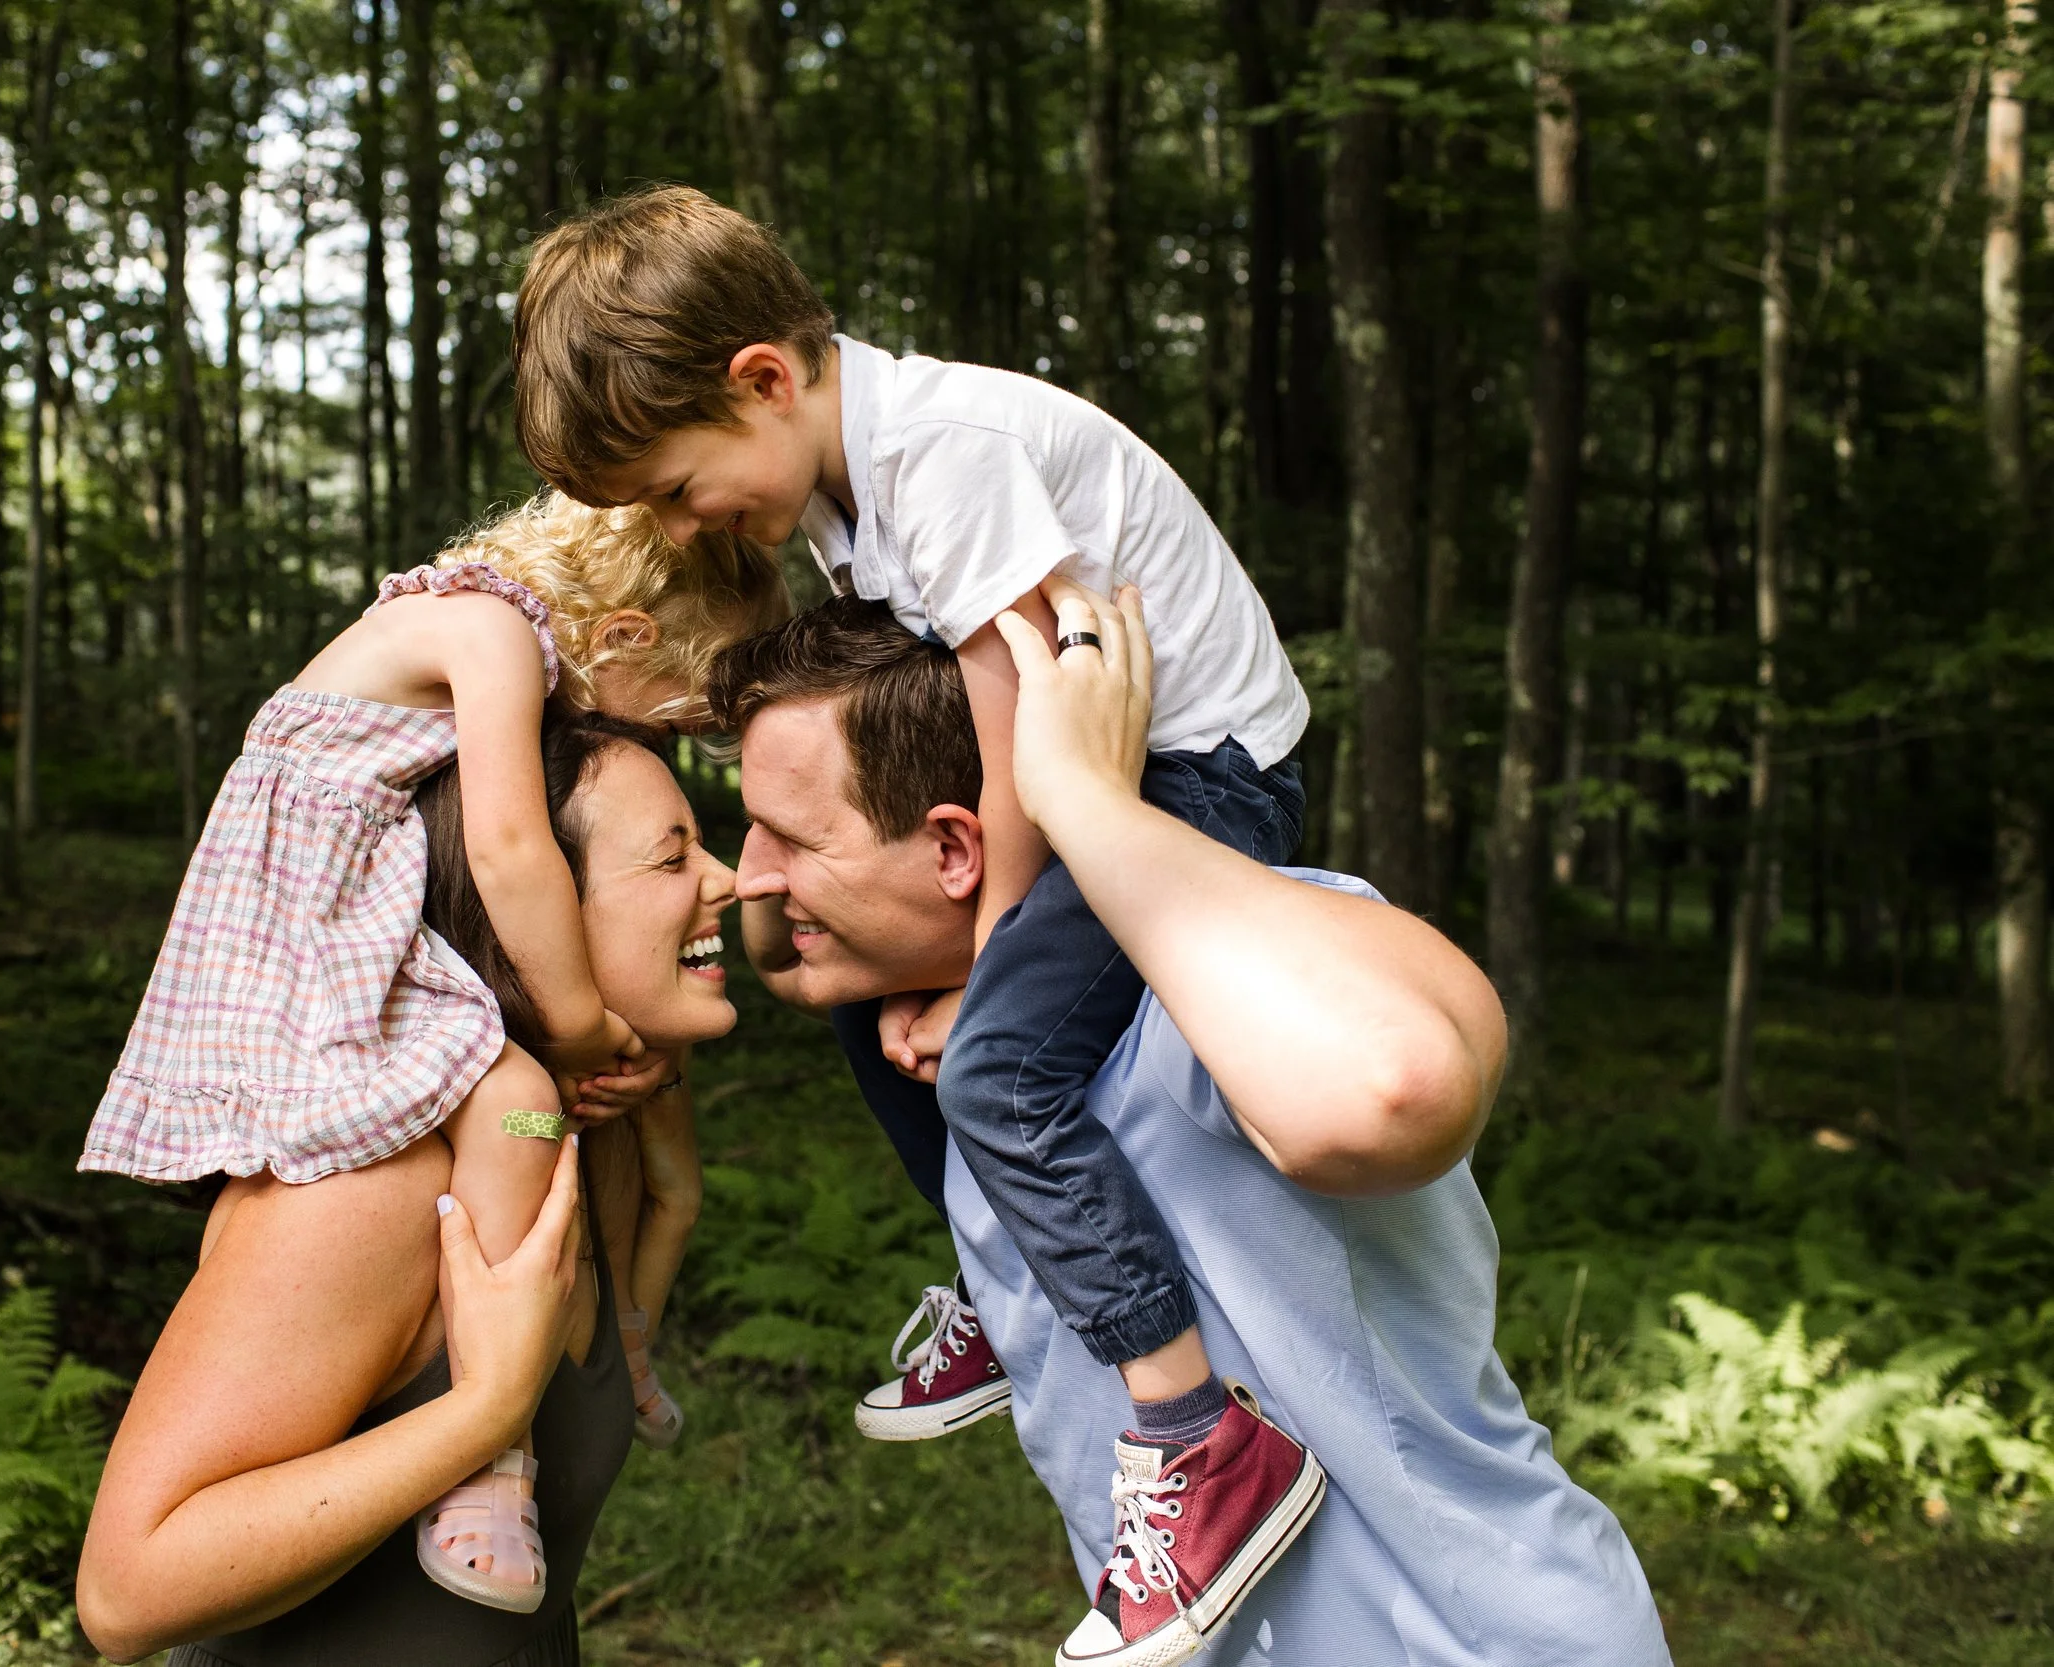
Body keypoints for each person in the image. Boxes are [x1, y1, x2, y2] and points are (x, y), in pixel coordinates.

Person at [512, 184, 1316, 1660]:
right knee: (868, 1007)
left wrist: (997, 951)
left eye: (681, 485)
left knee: (1000, 1063)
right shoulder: (844, 490)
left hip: (1196, 779)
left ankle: (1205, 1437)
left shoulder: (945, 452)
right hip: (1094, 773)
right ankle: (1003, 1268)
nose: (691, 522)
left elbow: (1019, 722)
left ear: (764, 378)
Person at [710, 587, 1673, 1667]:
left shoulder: (1209, 978)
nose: (750, 875)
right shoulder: (944, 1036)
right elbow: (780, 961)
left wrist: (1087, 804)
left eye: (788, 837)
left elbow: (1399, 1080)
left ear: (953, 848)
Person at [78, 493, 784, 1612]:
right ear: (623, 634)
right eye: (669, 856)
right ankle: (483, 1472)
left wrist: (651, 1122)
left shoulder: (566, 1137)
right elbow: (123, 1598)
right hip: (293, 918)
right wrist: (483, 1412)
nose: (731, 876)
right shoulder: (387, 1191)